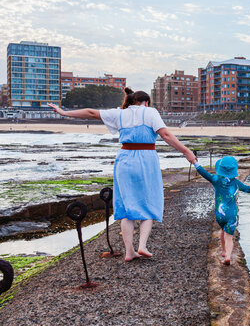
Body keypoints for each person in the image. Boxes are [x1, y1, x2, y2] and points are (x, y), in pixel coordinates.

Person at [48, 88, 197, 262]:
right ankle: (142, 245)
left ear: (132, 101)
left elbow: (90, 112)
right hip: (146, 159)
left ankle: (129, 251)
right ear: (146, 102)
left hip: (124, 159)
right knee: (150, 201)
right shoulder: (150, 112)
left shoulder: (120, 114)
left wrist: (63, 112)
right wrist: (186, 151)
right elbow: (164, 134)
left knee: (126, 206)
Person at [194, 156, 250, 265]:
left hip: (220, 215)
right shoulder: (236, 183)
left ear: (220, 169)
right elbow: (248, 189)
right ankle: (228, 256)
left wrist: (195, 162)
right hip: (232, 214)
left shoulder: (216, 180)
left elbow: (204, 173)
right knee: (229, 237)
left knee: (222, 231)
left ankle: (224, 251)